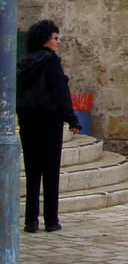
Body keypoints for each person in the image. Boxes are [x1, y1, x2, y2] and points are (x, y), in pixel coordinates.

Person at [16, 19, 81, 233]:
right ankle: (51, 220)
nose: (59, 41)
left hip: (27, 120)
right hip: (49, 121)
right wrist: (72, 120)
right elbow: (60, 92)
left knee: (33, 171)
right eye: (55, 38)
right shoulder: (50, 61)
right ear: (46, 40)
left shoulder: (24, 61)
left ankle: (31, 221)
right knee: (50, 172)